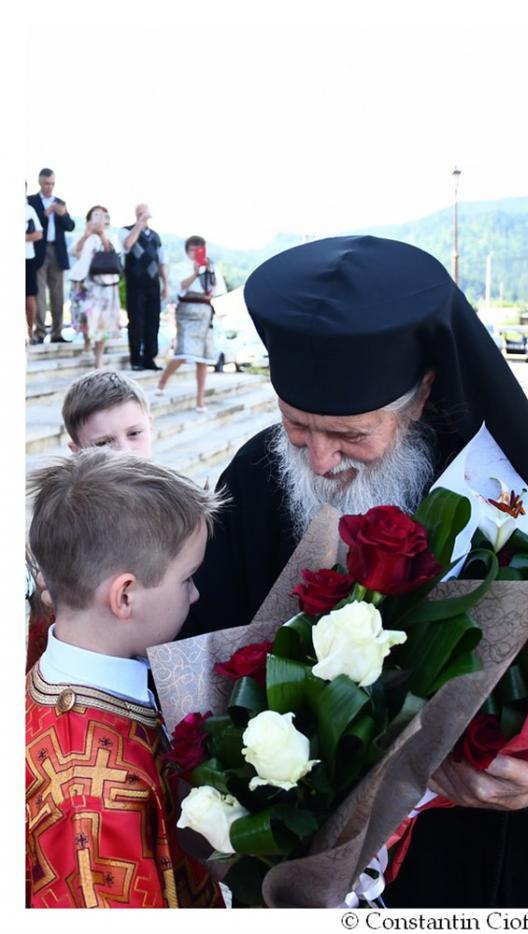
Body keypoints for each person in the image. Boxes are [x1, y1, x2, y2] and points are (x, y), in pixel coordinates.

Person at [179, 235, 528, 909]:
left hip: (459, 865)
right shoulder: (253, 481)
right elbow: (198, 649)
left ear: (419, 396)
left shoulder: (504, 499)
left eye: (351, 435)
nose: (321, 459)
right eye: (298, 426)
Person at [26, 448, 224, 908]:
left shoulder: (60, 671)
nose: (196, 594)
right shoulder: (88, 803)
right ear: (126, 596)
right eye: (187, 578)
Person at [25, 370, 154, 672]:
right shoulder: (65, 522)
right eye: (103, 443)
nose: (124, 451)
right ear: (77, 452)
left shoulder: (179, 508)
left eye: (135, 434)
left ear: (152, 427)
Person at [156, 235, 217, 413]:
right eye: (193, 249)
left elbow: (215, 289)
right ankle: (163, 381)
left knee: (203, 359)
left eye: (200, 249)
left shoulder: (211, 266)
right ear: (187, 250)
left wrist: (207, 271)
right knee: (183, 352)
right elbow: (180, 287)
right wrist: (195, 272)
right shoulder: (180, 267)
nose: (196, 253)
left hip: (205, 310)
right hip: (187, 309)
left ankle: (200, 400)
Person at [69, 207, 123, 369]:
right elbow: (73, 251)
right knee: (85, 317)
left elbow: (113, 253)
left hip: (104, 286)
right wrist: (87, 234)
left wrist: (101, 235)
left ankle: (98, 359)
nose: (100, 219)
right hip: (84, 284)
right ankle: (87, 344)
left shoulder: (111, 237)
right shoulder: (84, 237)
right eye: (96, 215)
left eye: (103, 216)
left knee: (102, 322)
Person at [27, 168, 75, 343]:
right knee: (38, 293)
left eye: (52, 184)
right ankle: (40, 332)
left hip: (57, 251)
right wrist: (45, 214)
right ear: (40, 182)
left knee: (57, 294)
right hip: (38, 250)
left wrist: (62, 214)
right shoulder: (31, 201)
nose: (49, 187)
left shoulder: (60, 202)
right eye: (47, 183)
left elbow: (70, 226)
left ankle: (57, 332)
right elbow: (30, 223)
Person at [120, 204, 169, 372]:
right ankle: (136, 359)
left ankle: (150, 358)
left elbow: (162, 261)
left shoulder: (156, 236)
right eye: (140, 213)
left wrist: (165, 284)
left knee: (153, 321)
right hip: (135, 282)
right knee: (136, 321)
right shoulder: (126, 231)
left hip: (153, 282)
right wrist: (139, 225)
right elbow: (127, 245)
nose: (143, 215)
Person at [25, 184, 43, 344]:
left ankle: (29, 333)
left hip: (27, 257)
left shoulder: (28, 209)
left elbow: (38, 233)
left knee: (30, 296)